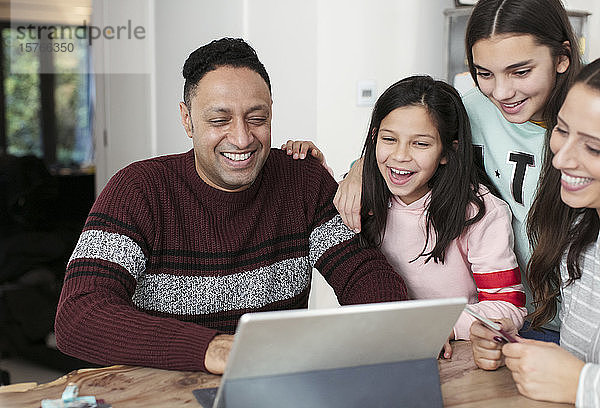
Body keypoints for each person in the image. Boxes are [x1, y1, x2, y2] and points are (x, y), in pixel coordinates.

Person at [54, 38, 409, 375]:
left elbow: (365, 276)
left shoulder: (302, 181)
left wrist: (388, 331)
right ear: (187, 119)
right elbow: (79, 314)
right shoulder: (139, 190)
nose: (241, 138)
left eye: (257, 119)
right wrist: (217, 348)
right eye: (219, 120)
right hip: (164, 393)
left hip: (273, 388)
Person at [283, 0, 582, 342]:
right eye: (484, 73)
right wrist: (359, 168)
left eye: (521, 71)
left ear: (563, 57)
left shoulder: (585, 124)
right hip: (498, 324)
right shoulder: (474, 108)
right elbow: (408, 136)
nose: (501, 92)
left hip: (563, 319)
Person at [333, 75, 526, 358]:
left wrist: (441, 328)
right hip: (381, 347)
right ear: (374, 137)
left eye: (420, 144)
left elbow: (508, 306)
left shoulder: (481, 212)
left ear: (449, 150)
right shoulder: (360, 198)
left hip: (455, 352)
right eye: (389, 139)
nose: (400, 156)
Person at [470, 58, 600, 407]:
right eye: (561, 130)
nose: (560, 160)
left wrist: (582, 383)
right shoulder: (578, 232)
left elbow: (583, 376)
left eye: (593, 147)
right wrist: (514, 341)